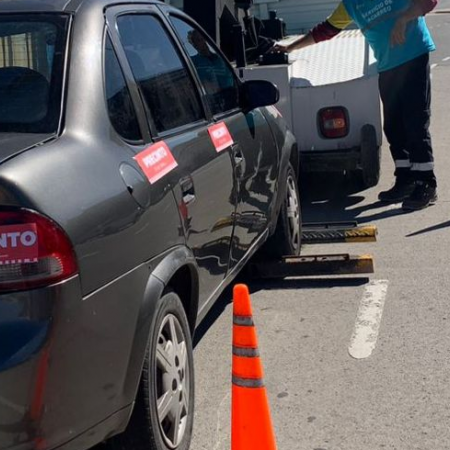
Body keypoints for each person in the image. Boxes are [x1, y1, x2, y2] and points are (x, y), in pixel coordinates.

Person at [274, 0, 438, 211]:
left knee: (415, 122)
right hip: (388, 65)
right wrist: (291, 47)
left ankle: (426, 183)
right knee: (393, 127)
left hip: (413, 56)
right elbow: (326, 30)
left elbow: (429, 2)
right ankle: (406, 180)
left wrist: (403, 18)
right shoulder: (351, 4)